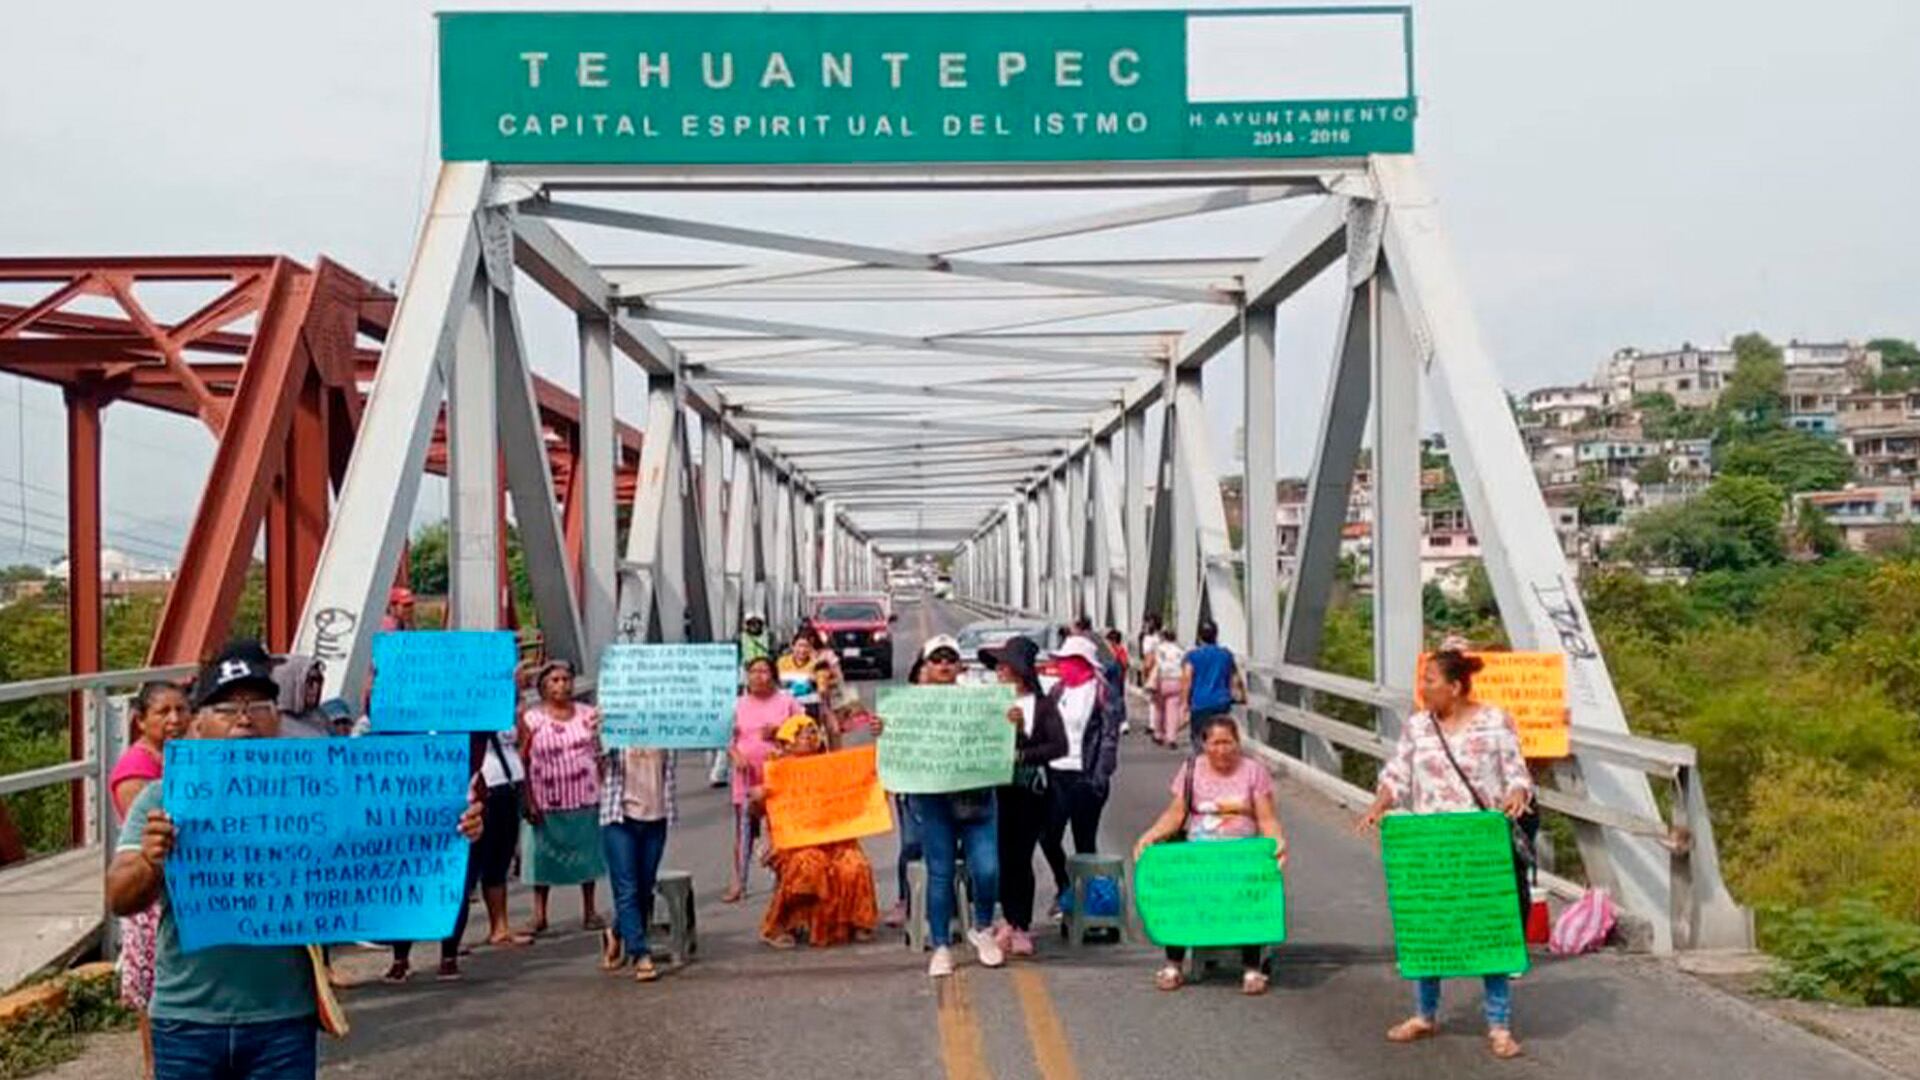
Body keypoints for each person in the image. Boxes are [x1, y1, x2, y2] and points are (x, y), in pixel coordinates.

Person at [106, 640, 483, 1080]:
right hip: (188, 1019)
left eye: (259, 704)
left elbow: (385, 848)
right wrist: (152, 860)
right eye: (227, 709)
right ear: (199, 725)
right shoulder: (163, 797)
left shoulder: (321, 796)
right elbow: (120, 897)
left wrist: (447, 826)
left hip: (282, 1021)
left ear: (278, 720)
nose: (244, 718)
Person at [1359, 650, 1533, 1061]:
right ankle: (1424, 1014)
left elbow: (1517, 771)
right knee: (1428, 928)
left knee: (1489, 931)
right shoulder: (1418, 726)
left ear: (1455, 687)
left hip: (1478, 848)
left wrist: (1516, 792)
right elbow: (1398, 773)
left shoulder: (1494, 721)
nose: (1424, 688)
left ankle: (1499, 1024)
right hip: (1430, 847)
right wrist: (1380, 803)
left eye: (1431, 680)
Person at [1132, 714, 1288, 995]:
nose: (1222, 749)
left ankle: (1252, 968)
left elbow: (1266, 818)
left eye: (1228, 742)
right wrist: (1151, 834)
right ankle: (1173, 963)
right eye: (1215, 743)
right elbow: (1176, 813)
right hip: (1199, 853)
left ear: (1237, 743)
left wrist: (1276, 842)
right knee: (1177, 892)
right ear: (1204, 745)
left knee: (1251, 898)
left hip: (1240, 854)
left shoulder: (1253, 771)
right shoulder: (1191, 769)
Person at [887, 635, 1004, 977]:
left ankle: (982, 928)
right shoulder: (911, 703)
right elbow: (898, 743)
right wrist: (885, 730)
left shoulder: (979, 699)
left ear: (959, 665)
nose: (943, 665)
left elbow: (1002, 734)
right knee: (940, 873)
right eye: (936, 660)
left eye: (949, 659)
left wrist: (1011, 720)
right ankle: (940, 945)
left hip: (977, 798)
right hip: (934, 799)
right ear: (925, 665)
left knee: (987, 868)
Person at [110, 681, 189, 1079]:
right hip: (151, 893)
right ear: (141, 720)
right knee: (151, 988)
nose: (175, 719)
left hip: (180, 888)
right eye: (163, 712)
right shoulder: (137, 770)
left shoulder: (182, 760)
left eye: (181, 709)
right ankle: (153, 1066)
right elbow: (139, 837)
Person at [756, 714, 880, 948]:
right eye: (804, 734)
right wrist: (758, 798)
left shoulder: (830, 765)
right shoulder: (777, 771)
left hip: (835, 840)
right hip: (794, 845)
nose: (811, 737)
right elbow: (758, 811)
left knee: (854, 864)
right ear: (788, 743)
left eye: (814, 732)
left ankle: (855, 921)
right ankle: (782, 924)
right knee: (809, 863)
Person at [982, 637, 1067, 958]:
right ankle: (1007, 917)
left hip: (1029, 792)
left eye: (1005, 665)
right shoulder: (990, 702)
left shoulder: (1042, 706)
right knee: (1001, 857)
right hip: (995, 789)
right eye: (998, 666)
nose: (1000, 671)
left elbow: (1059, 747)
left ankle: (1021, 924)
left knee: (1020, 857)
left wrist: (1022, 744)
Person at [518, 659, 605, 936]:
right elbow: (523, 759)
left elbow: (601, 751)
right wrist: (528, 799)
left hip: (584, 797)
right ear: (543, 686)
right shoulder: (532, 719)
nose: (561, 685)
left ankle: (590, 910)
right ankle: (539, 914)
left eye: (566, 679)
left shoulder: (588, 715)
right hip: (545, 799)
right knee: (541, 858)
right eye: (554, 680)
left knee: (586, 856)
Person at [1039, 635, 1120, 920]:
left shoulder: (1101, 692)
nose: (1062, 666)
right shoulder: (1058, 691)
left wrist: (1099, 777)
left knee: (1084, 841)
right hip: (1057, 774)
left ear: (1082, 663)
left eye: (1067, 661)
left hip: (1085, 775)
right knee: (1048, 835)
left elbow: (1109, 737)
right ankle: (1064, 886)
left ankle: (1086, 902)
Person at [598, 718, 676, 982]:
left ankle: (617, 931)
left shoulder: (668, 726)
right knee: (627, 888)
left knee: (644, 887)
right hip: (620, 818)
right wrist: (597, 730)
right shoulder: (611, 726)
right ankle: (640, 953)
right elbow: (594, 755)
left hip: (656, 816)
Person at [725, 655, 799, 904]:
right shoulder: (737, 704)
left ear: (773, 675)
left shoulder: (787, 701)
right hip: (746, 777)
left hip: (778, 777)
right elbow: (727, 738)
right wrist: (735, 755)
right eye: (753, 672)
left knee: (778, 831)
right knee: (743, 830)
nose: (758, 676)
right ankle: (739, 882)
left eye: (763, 671)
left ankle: (781, 879)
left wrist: (779, 733)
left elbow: (804, 731)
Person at [880, 655, 928, 928]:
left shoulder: (958, 702)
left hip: (948, 789)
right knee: (911, 843)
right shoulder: (901, 707)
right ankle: (904, 898)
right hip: (911, 786)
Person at [1181, 621, 1246, 750]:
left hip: (1199, 704)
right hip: (1221, 703)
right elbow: (1235, 678)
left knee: (1200, 739)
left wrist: (1184, 704)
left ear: (1199, 637)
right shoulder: (1226, 654)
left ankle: (1203, 765)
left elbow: (1187, 679)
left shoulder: (1192, 656)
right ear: (1216, 635)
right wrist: (1242, 696)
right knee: (1220, 739)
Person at [1145, 629, 1187, 748]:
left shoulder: (1158, 649)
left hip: (1160, 680)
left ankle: (1158, 734)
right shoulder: (1181, 650)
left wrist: (1147, 676)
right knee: (1172, 709)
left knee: (1159, 708)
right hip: (1176, 680)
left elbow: (1149, 663)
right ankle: (1171, 737)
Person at [271, 656, 329, 739]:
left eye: (319, 681)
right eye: (310, 681)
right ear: (290, 682)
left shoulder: (322, 719)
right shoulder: (270, 727)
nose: (316, 687)